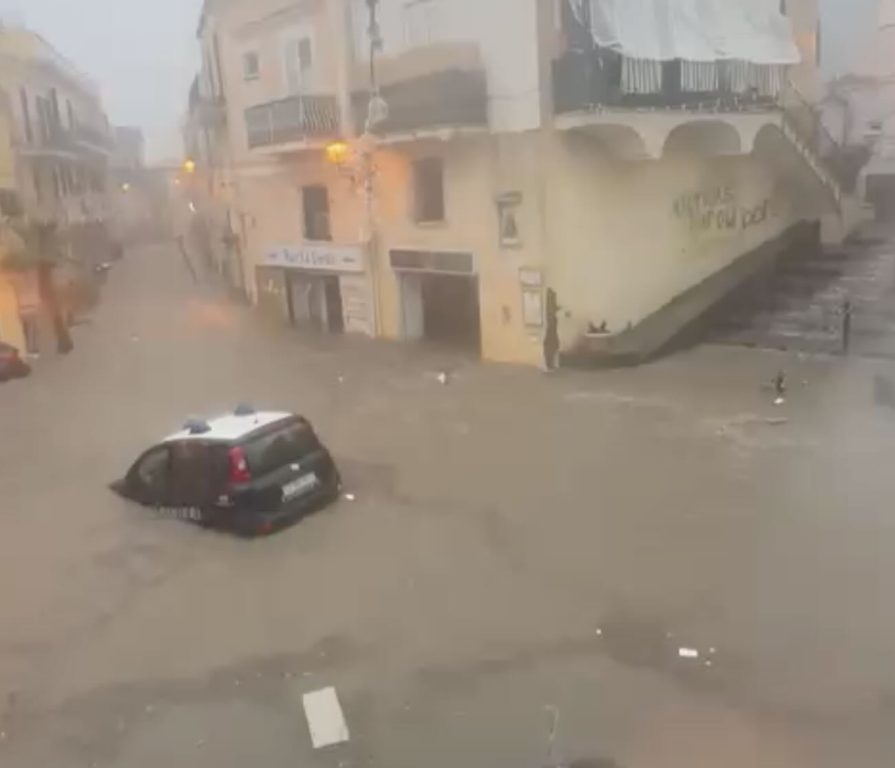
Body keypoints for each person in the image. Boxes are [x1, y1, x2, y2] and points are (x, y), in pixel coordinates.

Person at [543, 287, 561, 371]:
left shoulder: (550, 314)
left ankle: (550, 364)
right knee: (552, 347)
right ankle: (550, 364)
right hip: (551, 333)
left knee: (553, 346)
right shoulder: (550, 317)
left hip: (551, 332)